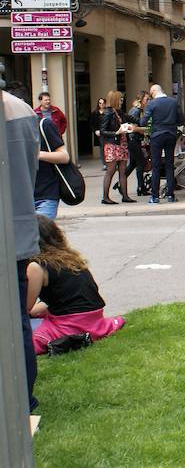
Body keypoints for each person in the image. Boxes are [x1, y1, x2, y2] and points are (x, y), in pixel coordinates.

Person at [25, 215, 125, 354]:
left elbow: (24, 308)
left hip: (70, 323)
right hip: (94, 318)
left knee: (22, 341)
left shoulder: (36, 267)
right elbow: (68, 295)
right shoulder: (69, 258)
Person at [3, 82, 41, 411]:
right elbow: (31, 169)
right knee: (18, 320)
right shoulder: (22, 110)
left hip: (12, 228)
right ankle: (23, 398)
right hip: (19, 229)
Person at [141, 84, 184, 204]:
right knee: (170, 165)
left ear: (154, 91)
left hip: (157, 136)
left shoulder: (152, 104)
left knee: (156, 166)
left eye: (151, 93)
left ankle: (155, 196)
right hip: (171, 134)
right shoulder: (173, 102)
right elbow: (181, 119)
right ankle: (171, 195)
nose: (151, 96)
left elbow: (143, 121)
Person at [99, 90, 136, 204]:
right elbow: (102, 131)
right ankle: (105, 197)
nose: (122, 101)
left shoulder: (118, 112)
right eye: (120, 99)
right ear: (115, 100)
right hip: (112, 144)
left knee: (123, 171)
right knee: (110, 171)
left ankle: (125, 196)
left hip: (122, 143)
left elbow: (132, 119)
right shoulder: (108, 113)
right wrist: (116, 133)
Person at [34, 113, 69, 219]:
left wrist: (37, 154)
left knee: (42, 234)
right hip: (17, 199)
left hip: (45, 195)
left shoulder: (43, 125)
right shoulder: (5, 129)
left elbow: (64, 156)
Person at [123, 91, 150, 196]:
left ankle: (121, 183)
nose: (148, 101)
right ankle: (140, 188)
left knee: (133, 164)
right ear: (140, 99)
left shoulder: (138, 110)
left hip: (134, 140)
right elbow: (133, 128)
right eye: (147, 99)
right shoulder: (136, 110)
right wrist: (146, 130)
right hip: (133, 140)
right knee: (141, 163)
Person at [90, 97, 106, 168]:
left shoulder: (108, 112)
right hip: (99, 133)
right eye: (100, 103)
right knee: (102, 148)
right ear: (98, 104)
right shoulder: (94, 113)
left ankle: (110, 163)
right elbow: (91, 124)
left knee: (109, 147)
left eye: (103, 103)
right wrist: (95, 131)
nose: (102, 104)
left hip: (107, 133)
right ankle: (104, 164)